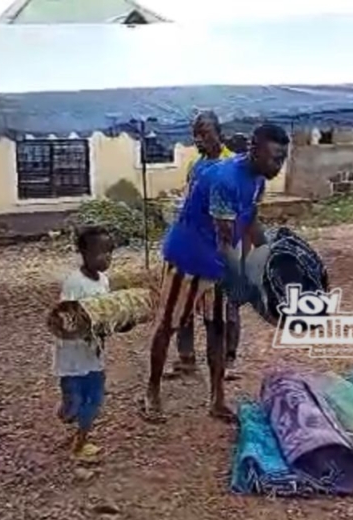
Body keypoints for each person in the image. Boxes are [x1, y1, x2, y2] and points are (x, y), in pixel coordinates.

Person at [146, 123, 289, 423]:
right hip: (188, 259)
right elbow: (224, 240)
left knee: (218, 330)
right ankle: (152, 393)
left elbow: (250, 221)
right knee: (168, 326)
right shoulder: (225, 179)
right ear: (254, 149)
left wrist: (271, 257)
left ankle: (217, 399)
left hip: (218, 262)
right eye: (275, 158)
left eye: (283, 159)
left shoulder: (258, 180)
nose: (279, 165)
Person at [170, 111, 243, 380]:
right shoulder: (196, 167)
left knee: (224, 309)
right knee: (185, 304)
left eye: (205, 134)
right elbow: (190, 200)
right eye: (196, 136)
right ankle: (186, 359)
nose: (199, 140)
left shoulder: (233, 165)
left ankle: (227, 361)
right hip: (194, 247)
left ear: (219, 134)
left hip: (223, 249)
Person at [51, 226, 115, 462]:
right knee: (75, 401)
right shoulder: (74, 284)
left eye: (110, 252)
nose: (106, 258)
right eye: (100, 253)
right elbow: (64, 317)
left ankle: (80, 443)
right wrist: (85, 327)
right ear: (84, 253)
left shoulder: (104, 281)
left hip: (94, 356)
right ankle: (69, 411)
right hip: (73, 357)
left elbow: (109, 311)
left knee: (94, 398)